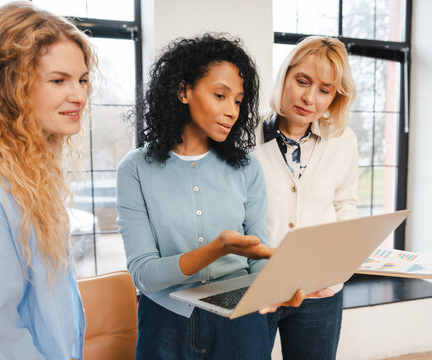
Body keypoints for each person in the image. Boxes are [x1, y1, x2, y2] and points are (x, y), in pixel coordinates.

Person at [117, 33, 318, 360]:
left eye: (237, 100)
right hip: (165, 321)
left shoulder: (246, 167)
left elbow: (256, 257)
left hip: (240, 321)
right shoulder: (135, 168)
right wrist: (217, 248)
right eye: (220, 95)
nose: (232, 111)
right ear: (184, 91)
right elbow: (144, 275)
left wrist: (279, 288)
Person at [0, 2, 97, 359]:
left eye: (82, 79)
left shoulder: (27, 169)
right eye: (58, 80)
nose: (79, 95)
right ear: (9, 84)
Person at [253, 36, 358, 359]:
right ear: (285, 75)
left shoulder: (343, 140)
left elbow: (345, 204)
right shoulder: (247, 134)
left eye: (324, 90)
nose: (309, 98)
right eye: (302, 81)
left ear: (334, 98)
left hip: (320, 290)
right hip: (259, 286)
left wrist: (341, 266)